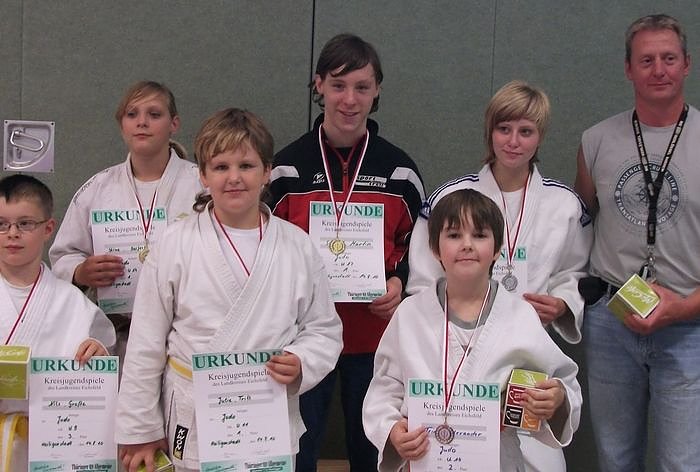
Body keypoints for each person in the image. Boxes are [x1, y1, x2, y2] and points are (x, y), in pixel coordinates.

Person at [115, 108, 343, 472]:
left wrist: (302, 360)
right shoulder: (175, 242)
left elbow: (324, 328)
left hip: (266, 412)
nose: (234, 178)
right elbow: (146, 341)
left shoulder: (297, 245)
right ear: (203, 175)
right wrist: (141, 428)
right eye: (221, 167)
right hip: (195, 411)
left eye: (246, 166)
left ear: (267, 171)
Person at [407, 80, 591, 471]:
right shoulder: (449, 199)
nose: (513, 141)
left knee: (532, 453)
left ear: (541, 137)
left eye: (526, 131)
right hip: (455, 355)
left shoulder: (564, 205)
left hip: (526, 352)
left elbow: (574, 271)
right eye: (503, 129)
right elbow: (424, 282)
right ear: (489, 132)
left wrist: (562, 304)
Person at [268, 33, 425, 471]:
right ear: (319, 85)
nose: (350, 99)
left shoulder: (400, 171)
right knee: (295, 451)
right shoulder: (286, 168)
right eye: (338, 85)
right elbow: (264, 248)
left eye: (362, 86)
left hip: (374, 338)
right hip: (300, 338)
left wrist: (399, 282)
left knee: (371, 453)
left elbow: (418, 249)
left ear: (377, 90)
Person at [362, 189, 581, 471]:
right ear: (435, 249)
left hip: (499, 460)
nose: (467, 245)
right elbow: (385, 388)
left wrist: (556, 399)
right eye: (454, 235)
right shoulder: (409, 315)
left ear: (497, 249)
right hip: (426, 457)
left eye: (479, 235)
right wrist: (392, 430)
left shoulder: (521, 316)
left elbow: (562, 382)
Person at [574, 13, 700, 471]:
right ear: (629, 69)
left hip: (690, 326)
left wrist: (682, 309)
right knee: (615, 459)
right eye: (646, 60)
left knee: (681, 463)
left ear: (687, 64)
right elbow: (579, 226)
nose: (658, 69)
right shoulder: (595, 141)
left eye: (669, 58)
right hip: (612, 321)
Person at [49, 80, 202, 359]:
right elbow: (62, 256)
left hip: (185, 334)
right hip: (117, 335)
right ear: (122, 124)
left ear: (174, 124)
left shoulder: (200, 185)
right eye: (132, 114)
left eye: (154, 114)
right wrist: (80, 272)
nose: (142, 122)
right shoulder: (97, 188)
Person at [0, 174, 115, 472]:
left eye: (25, 223)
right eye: (2, 224)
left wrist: (100, 355)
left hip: (55, 443)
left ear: (48, 228)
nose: (12, 234)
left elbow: (104, 370)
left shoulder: (75, 303)